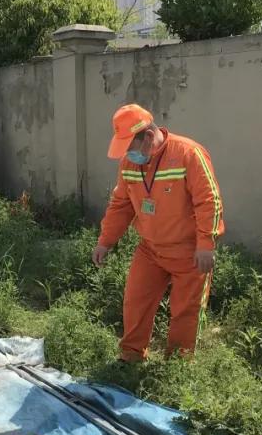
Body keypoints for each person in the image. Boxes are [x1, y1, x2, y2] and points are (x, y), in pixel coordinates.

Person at [91, 104, 224, 362]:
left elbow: (209, 200)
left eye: (130, 146)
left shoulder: (188, 154)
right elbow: (120, 205)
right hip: (150, 249)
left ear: (149, 137)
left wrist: (206, 243)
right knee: (135, 301)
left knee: (186, 312)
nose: (128, 154)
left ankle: (178, 365)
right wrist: (105, 241)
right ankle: (131, 356)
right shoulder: (129, 164)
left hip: (189, 252)